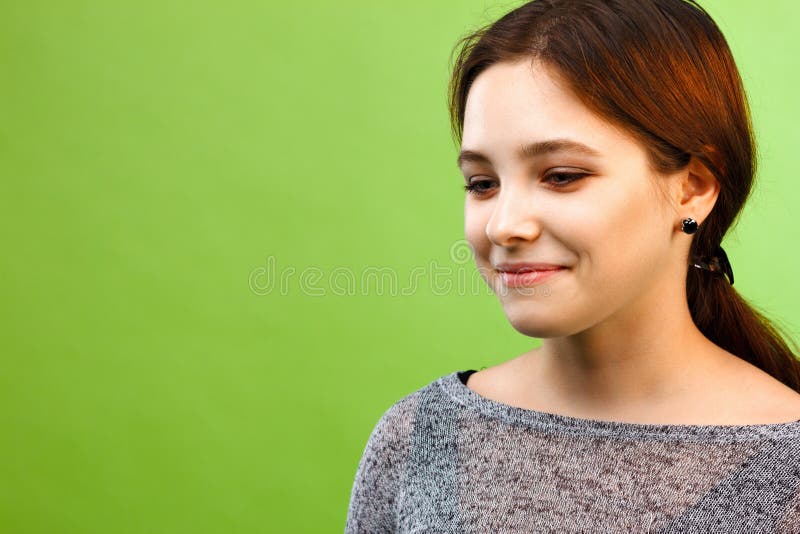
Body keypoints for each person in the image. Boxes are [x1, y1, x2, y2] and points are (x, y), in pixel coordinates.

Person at [345, 0, 800, 531]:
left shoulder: (785, 476)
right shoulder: (419, 439)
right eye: (482, 183)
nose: (503, 226)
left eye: (561, 175)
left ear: (692, 188)